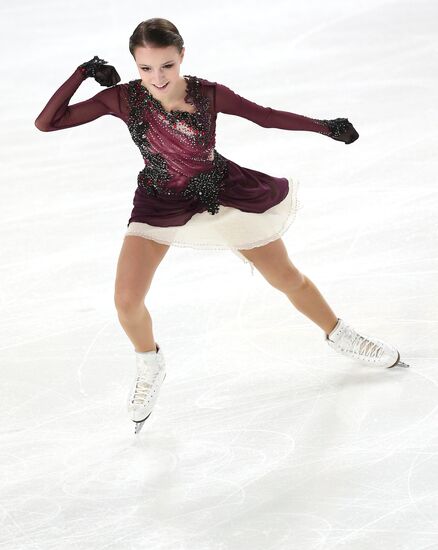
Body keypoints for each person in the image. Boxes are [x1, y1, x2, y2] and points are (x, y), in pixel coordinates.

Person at [35, 18, 409, 434]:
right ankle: (150, 362)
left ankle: (340, 334)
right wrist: (84, 72)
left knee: (285, 276)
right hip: (159, 201)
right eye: (146, 68)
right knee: (126, 300)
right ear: (134, 65)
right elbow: (47, 123)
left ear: (181, 57)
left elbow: (264, 117)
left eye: (167, 66)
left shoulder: (208, 94)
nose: (157, 78)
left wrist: (324, 126)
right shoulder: (121, 99)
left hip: (222, 193)